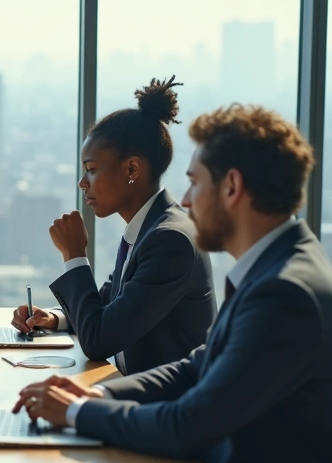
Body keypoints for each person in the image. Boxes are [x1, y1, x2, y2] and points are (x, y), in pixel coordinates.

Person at [9, 105, 332, 463]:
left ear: (233, 188)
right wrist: (98, 397)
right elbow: (196, 366)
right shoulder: (275, 269)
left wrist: (77, 414)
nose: (189, 202)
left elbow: (189, 424)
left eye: (196, 184)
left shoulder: (287, 292)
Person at [12, 76, 214, 375]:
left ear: (132, 168)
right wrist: (54, 319)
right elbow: (108, 307)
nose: (82, 183)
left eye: (92, 170)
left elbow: (98, 340)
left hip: (164, 408)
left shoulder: (170, 240)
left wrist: (75, 255)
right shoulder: (148, 229)